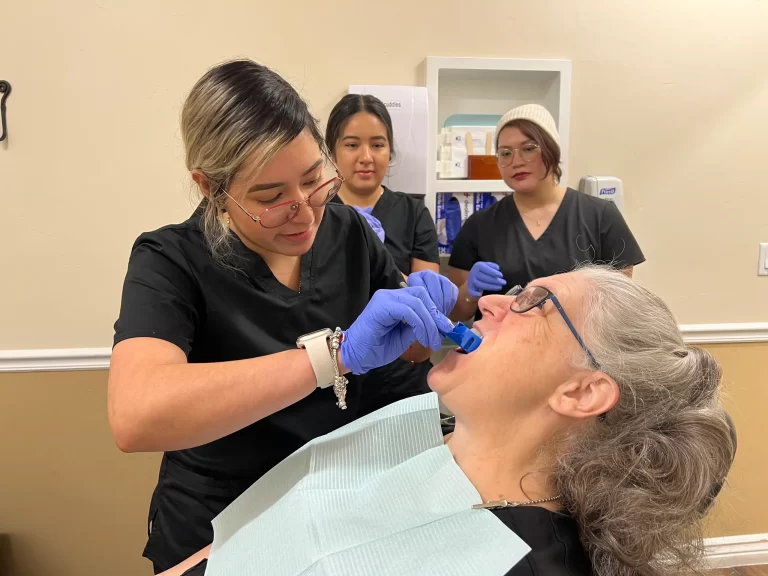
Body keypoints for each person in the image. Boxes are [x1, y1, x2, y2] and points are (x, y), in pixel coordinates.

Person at [107, 58, 459, 574]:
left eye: (314, 180)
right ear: (210, 187)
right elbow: (136, 416)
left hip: (339, 505)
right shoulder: (171, 260)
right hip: (222, 525)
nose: (305, 212)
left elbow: (409, 352)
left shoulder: (348, 232)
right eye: (271, 197)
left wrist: (423, 317)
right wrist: (332, 357)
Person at [157, 265, 736, 576]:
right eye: (513, 291)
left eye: (534, 304)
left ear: (582, 392)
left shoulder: (521, 564)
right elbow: (234, 547)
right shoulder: (417, 436)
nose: (489, 303)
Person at [448, 104, 645, 322]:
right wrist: (471, 291)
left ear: (552, 150)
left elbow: (621, 308)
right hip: (502, 343)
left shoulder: (600, 217)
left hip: (576, 343)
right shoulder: (480, 225)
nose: (516, 161)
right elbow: (457, 313)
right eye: (505, 153)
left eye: (528, 148)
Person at [325, 93, 440, 277]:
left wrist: (378, 259)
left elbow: (426, 291)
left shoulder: (414, 214)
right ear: (332, 153)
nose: (366, 158)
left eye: (377, 145)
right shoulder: (314, 213)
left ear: (390, 150)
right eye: (352, 145)